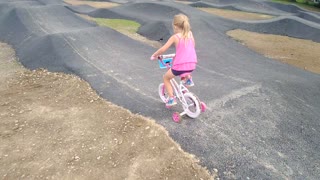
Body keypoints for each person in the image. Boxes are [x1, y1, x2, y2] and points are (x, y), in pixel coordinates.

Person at [151, 13, 197, 106]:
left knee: (166, 78)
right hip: (192, 64)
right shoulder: (190, 34)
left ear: (175, 26)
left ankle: (171, 99)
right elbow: (192, 46)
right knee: (184, 71)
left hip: (179, 66)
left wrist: (155, 55)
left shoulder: (175, 37)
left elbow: (163, 49)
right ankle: (188, 79)